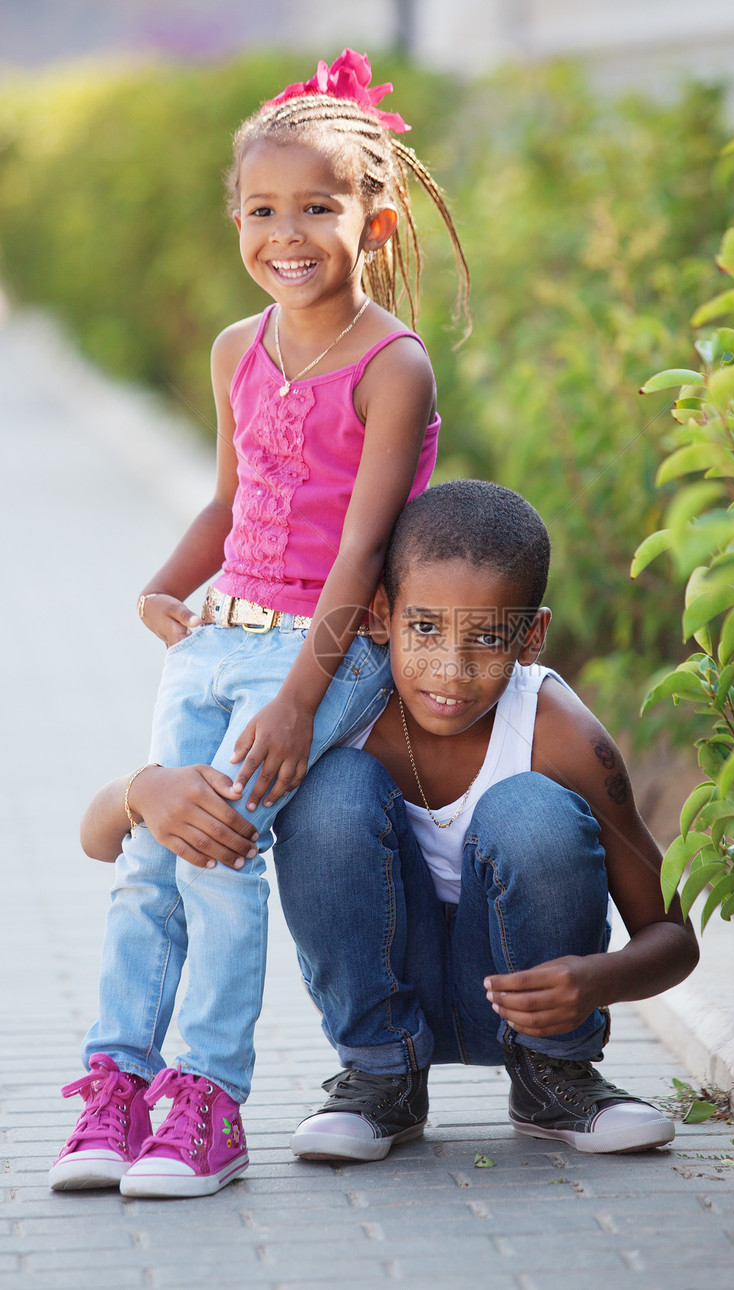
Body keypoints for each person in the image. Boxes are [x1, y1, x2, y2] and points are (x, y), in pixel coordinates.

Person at [49, 49, 468, 1200]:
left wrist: (296, 700)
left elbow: (360, 551)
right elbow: (230, 505)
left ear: (373, 223)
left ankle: (208, 1102)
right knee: (153, 854)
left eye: (318, 208)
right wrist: (163, 583)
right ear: (235, 216)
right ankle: (115, 1085)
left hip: (317, 655)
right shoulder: (240, 347)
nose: (287, 233)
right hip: (216, 639)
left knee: (220, 855)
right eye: (263, 208)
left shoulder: (393, 366)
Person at [81, 481, 699, 1167]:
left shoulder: (560, 734)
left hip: (530, 1004)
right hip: (383, 1003)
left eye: (488, 638)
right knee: (329, 792)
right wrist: (143, 790)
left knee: (533, 811)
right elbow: (100, 839)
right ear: (378, 615)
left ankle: (556, 1078)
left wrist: (595, 981)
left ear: (533, 637)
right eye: (425, 628)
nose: (451, 669)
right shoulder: (326, 717)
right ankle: (380, 1080)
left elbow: (674, 936)